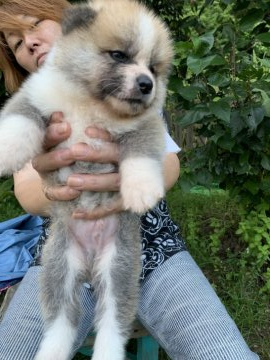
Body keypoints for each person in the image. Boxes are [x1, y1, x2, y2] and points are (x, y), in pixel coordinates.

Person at [0, 1, 260, 359]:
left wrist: (133, 176)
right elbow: (27, 190)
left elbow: (166, 162)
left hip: (152, 241)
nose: (27, 43)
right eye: (15, 43)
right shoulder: (39, 95)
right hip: (66, 239)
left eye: (35, 24)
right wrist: (54, 183)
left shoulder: (128, 81)